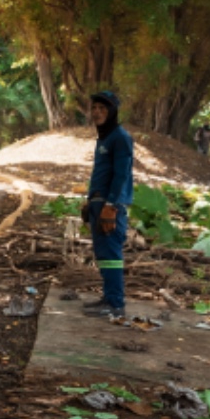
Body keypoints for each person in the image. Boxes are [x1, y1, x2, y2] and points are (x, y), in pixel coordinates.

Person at [82, 91, 133, 319]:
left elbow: (121, 174)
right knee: (103, 254)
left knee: (111, 254)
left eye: (103, 109)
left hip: (110, 205)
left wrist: (110, 205)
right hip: (99, 202)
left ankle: (115, 304)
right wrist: (90, 201)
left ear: (112, 112)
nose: (97, 113)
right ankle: (108, 298)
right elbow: (101, 174)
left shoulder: (120, 137)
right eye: (95, 108)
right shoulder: (104, 138)